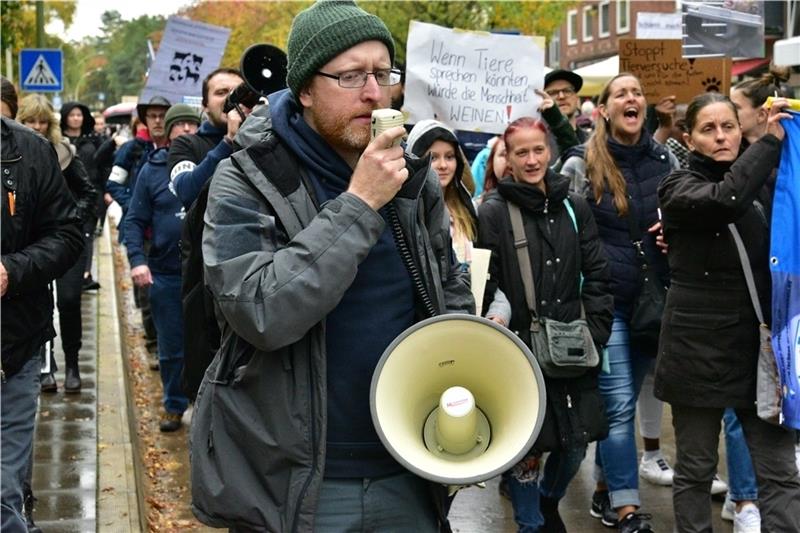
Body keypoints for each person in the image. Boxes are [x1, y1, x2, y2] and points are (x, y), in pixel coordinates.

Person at [189, 1, 473, 530]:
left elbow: (447, 287)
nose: (372, 92)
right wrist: (359, 203)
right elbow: (260, 311)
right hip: (300, 482)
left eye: (382, 74)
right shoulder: (246, 178)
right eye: (350, 76)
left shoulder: (413, 179)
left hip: (408, 464)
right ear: (303, 90)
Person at [656, 92, 800, 533]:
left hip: (760, 351)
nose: (721, 137)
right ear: (689, 138)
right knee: (697, 471)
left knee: (779, 473)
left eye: (729, 127)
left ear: (742, 128)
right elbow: (724, 199)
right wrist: (770, 142)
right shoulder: (677, 187)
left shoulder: (773, 179)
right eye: (708, 129)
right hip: (695, 352)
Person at [478, 117, 613, 532]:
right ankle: (530, 523)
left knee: (575, 445)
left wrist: (595, 331)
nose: (532, 159)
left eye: (538, 150)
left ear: (550, 151)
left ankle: (549, 500)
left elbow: (598, 273)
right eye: (522, 152)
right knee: (527, 449)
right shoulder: (494, 212)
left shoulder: (576, 206)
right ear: (508, 159)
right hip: (519, 350)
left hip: (574, 345)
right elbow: (485, 282)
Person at [561, 73, 679, 533]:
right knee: (616, 405)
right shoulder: (579, 164)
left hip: (652, 301)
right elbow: (560, 225)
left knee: (626, 403)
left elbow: (682, 213)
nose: (632, 98)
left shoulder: (664, 158)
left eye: (637, 93)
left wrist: (676, 233)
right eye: (620, 94)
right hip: (607, 303)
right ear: (604, 110)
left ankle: (605, 490)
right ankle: (629, 508)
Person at [1, 111, 84, 532]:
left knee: (3, 495)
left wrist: (11, 273)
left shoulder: (27, 151)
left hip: (12, 349)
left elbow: (67, 234)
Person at [124, 104, 200, 432]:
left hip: (206, 273)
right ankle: (174, 402)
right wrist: (138, 261)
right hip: (166, 274)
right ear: (167, 132)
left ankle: (208, 406)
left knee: (210, 343)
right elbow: (135, 220)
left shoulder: (214, 164)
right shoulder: (151, 170)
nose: (185, 130)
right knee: (171, 345)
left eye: (191, 124)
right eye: (178, 124)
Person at [17, 94, 97, 393]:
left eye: (42, 121)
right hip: (29, 246)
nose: (36, 127)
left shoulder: (63, 152)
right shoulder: (11, 153)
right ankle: (45, 366)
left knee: (68, 301)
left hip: (65, 244)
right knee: (40, 304)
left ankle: (73, 363)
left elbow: (87, 191)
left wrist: (70, 220)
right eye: (30, 121)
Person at [168, 67, 245, 208]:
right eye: (221, 92)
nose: (230, 98)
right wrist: (229, 141)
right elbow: (187, 192)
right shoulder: (185, 144)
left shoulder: (261, 139)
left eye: (238, 92)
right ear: (205, 105)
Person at [61, 101, 106, 291]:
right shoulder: (58, 142)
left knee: (86, 235)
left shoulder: (93, 141)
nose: (76, 118)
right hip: (63, 197)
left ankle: (85, 274)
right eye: (72, 115)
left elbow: (103, 165)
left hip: (89, 195)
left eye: (79, 115)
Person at [730, 65, 791, 150]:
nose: (728, 112)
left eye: (735, 107)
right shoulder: (729, 152)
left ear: (761, 115)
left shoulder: (790, 153)